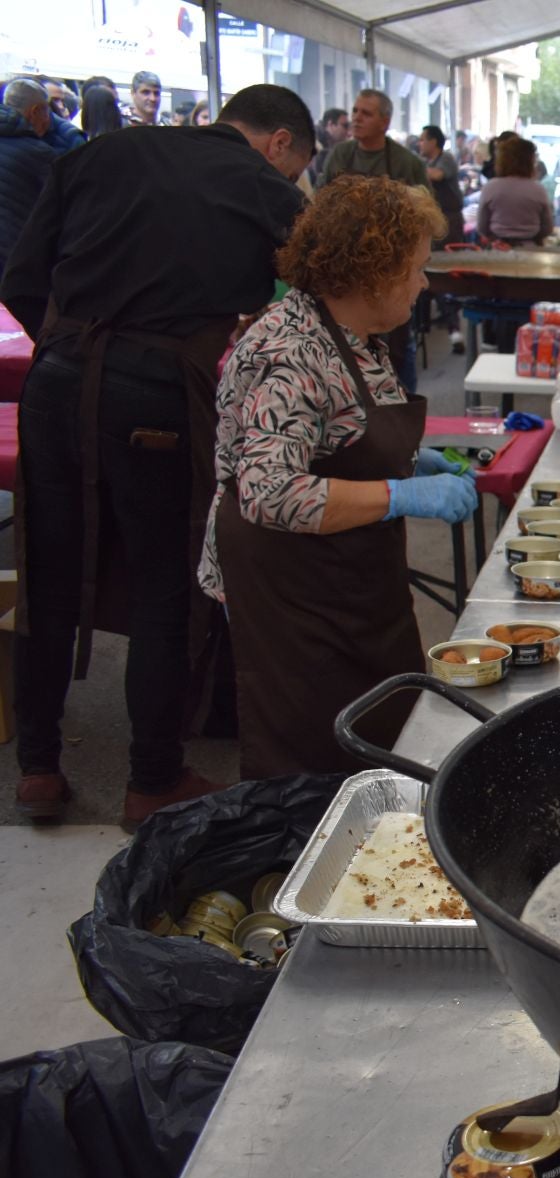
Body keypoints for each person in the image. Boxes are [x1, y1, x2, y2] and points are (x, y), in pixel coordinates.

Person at [1, 84, 312, 826]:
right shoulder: (265, 187)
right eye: (298, 165)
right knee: (165, 583)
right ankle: (152, 779)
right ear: (278, 144)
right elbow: (317, 301)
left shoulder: (100, 151)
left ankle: (37, 767)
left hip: (56, 377)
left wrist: (69, 343)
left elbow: (19, 274)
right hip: (159, 390)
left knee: (47, 569)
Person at [202, 177, 474, 777]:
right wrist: (402, 493)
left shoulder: (354, 333)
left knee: (384, 723)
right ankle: (302, 862)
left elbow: (339, 433)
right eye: (416, 269)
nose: (424, 284)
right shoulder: (293, 351)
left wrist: (406, 462)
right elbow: (269, 493)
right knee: (314, 748)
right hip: (292, 587)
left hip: (347, 572)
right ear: (374, 274)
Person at [319, 89, 429, 393]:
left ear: (385, 121)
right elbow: (321, 206)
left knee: (396, 346)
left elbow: (425, 219)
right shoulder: (340, 156)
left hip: (393, 272)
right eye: (355, 111)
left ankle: (402, 407)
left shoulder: (407, 163)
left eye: (365, 113)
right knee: (345, 347)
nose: (355, 118)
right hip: (345, 269)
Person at [0, 80, 58, 284]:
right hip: (12, 262)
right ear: (35, 111)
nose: (50, 120)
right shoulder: (40, 155)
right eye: (47, 111)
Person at [418, 124, 466, 350]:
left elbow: (437, 176)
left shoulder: (445, 159)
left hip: (449, 223)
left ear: (434, 142)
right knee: (427, 273)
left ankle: (454, 328)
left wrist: (410, 165)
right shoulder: (426, 163)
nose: (420, 144)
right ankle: (425, 326)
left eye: (423, 140)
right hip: (433, 222)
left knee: (445, 275)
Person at [475, 135, 552, 246]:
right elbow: (547, 228)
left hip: (498, 249)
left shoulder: (490, 188)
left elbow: (482, 227)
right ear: (530, 161)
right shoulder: (538, 190)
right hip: (530, 250)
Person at [308, 106, 348, 187]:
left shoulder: (335, 145)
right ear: (330, 124)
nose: (347, 131)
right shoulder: (316, 145)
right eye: (345, 126)